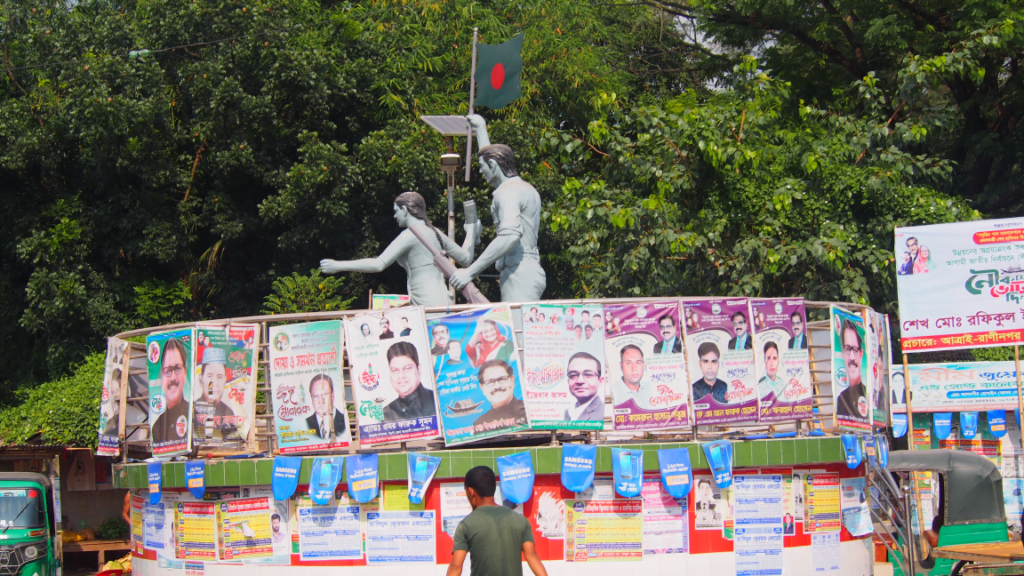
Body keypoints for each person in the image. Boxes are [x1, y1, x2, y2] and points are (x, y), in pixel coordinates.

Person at [450, 115, 546, 302]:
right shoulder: (521, 188)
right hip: (525, 269)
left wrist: (470, 272)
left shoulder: (508, 192)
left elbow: (509, 236)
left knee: (517, 329)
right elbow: (491, 160)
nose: (480, 171)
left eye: (481, 167)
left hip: (519, 273)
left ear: (493, 165)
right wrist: (480, 130)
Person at [321, 191, 477, 306]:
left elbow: (378, 264)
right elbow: (465, 258)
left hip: (426, 301)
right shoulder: (435, 232)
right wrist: (471, 229)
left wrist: (338, 265)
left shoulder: (409, 235)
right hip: (442, 298)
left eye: (396, 212)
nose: (395, 216)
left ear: (405, 210)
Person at [447, 466, 548, 576]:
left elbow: (456, 566)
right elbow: (531, 555)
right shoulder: (521, 521)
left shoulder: (466, 525)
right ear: (494, 486)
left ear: (471, 491)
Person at [382, 341, 437, 421]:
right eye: (395, 370)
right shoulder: (386, 414)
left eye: (407, 368)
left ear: (419, 369)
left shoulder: (437, 401)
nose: (401, 376)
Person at [193, 347, 240, 441]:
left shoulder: (229, 412)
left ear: (225, 380)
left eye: (219, 377)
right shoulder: (193, 410)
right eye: (209, 376)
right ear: (201, 379)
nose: (214, 382)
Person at [151, 338, 191, 446]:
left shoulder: (195, 416)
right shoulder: (157, 426)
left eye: (177, 368)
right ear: (162, 375)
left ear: (185, 372)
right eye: (168, 371)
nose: (173, 377)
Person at [473, 360, 527, 428]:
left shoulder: (529, 411)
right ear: (482, 388)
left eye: (502, 379)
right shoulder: (479, 425)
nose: (497, 386)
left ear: (512, 381)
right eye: (490, 382)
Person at [835, 319, 868, 422]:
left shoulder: (869, 394)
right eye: (848, 349)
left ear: (861, 355)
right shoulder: (841, 399)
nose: (852, 357)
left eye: (855, 350)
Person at [562, 352, 605, 422]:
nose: (580, 381)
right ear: (568, 381)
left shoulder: (603, 413)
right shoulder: (566, 414)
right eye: (573, 375)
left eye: (588, 374)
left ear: (600, 381)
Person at [304, 374, 347, 440]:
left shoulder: (345, 421)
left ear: (333, 395)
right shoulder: (305, 424)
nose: (321, 401)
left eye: (325, 395)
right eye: (315, 396)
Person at [611, 345, 654, 409]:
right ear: (621, 366)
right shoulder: (612, 393)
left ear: (643, 365)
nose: (634, 368)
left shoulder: (652, 388)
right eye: (628, 363)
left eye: (638, 363)